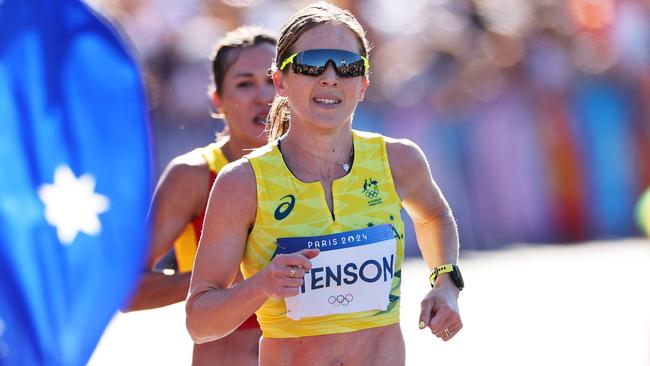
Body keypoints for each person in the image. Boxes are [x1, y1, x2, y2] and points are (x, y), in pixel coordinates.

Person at [186, 3, 463, 365]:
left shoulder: (399, 161)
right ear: (280, 81)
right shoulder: (243, 183)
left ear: (363, 84)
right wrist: (261, 285)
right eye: (312, 64)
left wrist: (445, 283)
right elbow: (199, 322)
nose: (330, 77)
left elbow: (434, 216)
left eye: (347, 66)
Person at [124, 26, 276, 366]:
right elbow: (126, 289)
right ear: (217, 101)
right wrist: (219, 282)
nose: (263, 96)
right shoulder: (193, 175)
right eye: (244, 84)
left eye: (272, 80)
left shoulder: (317, 168)